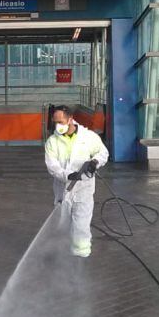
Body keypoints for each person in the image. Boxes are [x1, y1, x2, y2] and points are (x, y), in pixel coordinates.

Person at [44, 105, 109, 257]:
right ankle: (61, 251)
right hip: (63, 188)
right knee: (62, 222)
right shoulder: (52, 142)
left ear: (70, 119)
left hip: (83, 188)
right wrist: (67, 175)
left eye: (61, 122)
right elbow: (52, 166)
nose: (58, 125)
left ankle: (81, 253)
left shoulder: (88, 137)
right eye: (55, 122)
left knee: (81, 222)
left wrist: (95, 162)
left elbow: (103, 153)